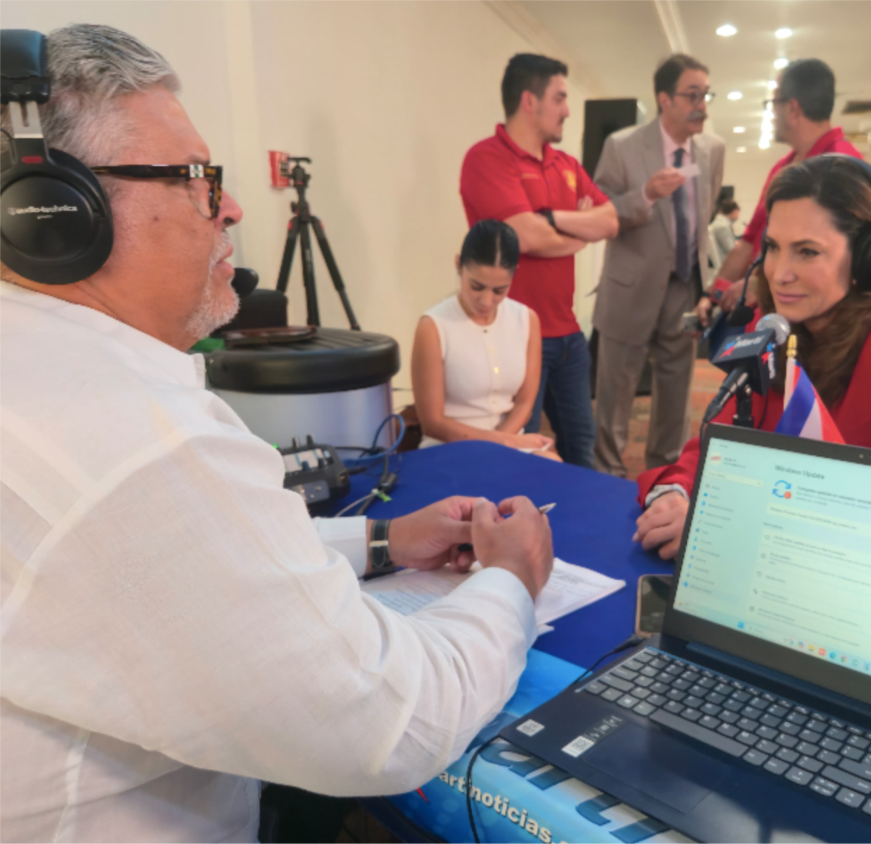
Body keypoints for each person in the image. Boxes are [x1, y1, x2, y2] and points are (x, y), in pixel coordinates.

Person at [0, 25, 553, 843]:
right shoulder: (139, 445)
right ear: (55, 213)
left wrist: (378, 541)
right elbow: (386, 726)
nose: (230, 206)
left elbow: (192, 574)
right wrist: (510, 583)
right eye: (196, 178)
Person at [634, 156, 871, 560]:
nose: (779, 273)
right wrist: (675, 493)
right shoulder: (774, 321)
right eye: (772, 247)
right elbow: (720, 438)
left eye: (807, 252)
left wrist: (724, 520)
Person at [460, 53, 619, 468]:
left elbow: (609, 221)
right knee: (519, 453)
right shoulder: (486, 158)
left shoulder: (566, 164)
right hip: (514, 335)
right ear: (530, 101)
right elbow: (522, 236)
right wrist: (575, 233)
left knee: (581, 449)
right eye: (560, 97)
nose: (568, 110)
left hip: (568, 334)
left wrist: (552, 219)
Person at [591, 53, 725, 477]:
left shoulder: (712, 149)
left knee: (675, 399)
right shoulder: (623, 146)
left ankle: (662, 481)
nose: (701, 104)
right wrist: (645, 195)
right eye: (692, 94)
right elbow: (601, 213)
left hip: (684, 290)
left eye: (706, 94)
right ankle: (607, 481)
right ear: (664, 99)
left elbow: (705, 212)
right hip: (630, 289)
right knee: (614, 399)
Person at [707, 58, 862, 321]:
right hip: (771, 315)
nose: (773, 112)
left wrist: (759, 284)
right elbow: (748, 242)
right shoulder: (784, 167)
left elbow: (845, 260)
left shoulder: (843, 165)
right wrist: (713, 297)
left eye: (774, 103)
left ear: (792, 107)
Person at [412, 219, 557, 457]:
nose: (486, 301)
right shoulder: (434, 326)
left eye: (499, 290)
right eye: (476, 287)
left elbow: (524, 403)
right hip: (450, 446)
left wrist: (502, 444)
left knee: (554, 468)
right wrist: (500, 443)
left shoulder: (526, 319)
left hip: (508, 439)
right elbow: (432, 422)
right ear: (459, 265)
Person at [708, 198, 740, 272]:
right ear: (734, 212)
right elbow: (731, 250)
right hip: (724, 265)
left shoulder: (719, 223)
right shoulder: (723, 227)